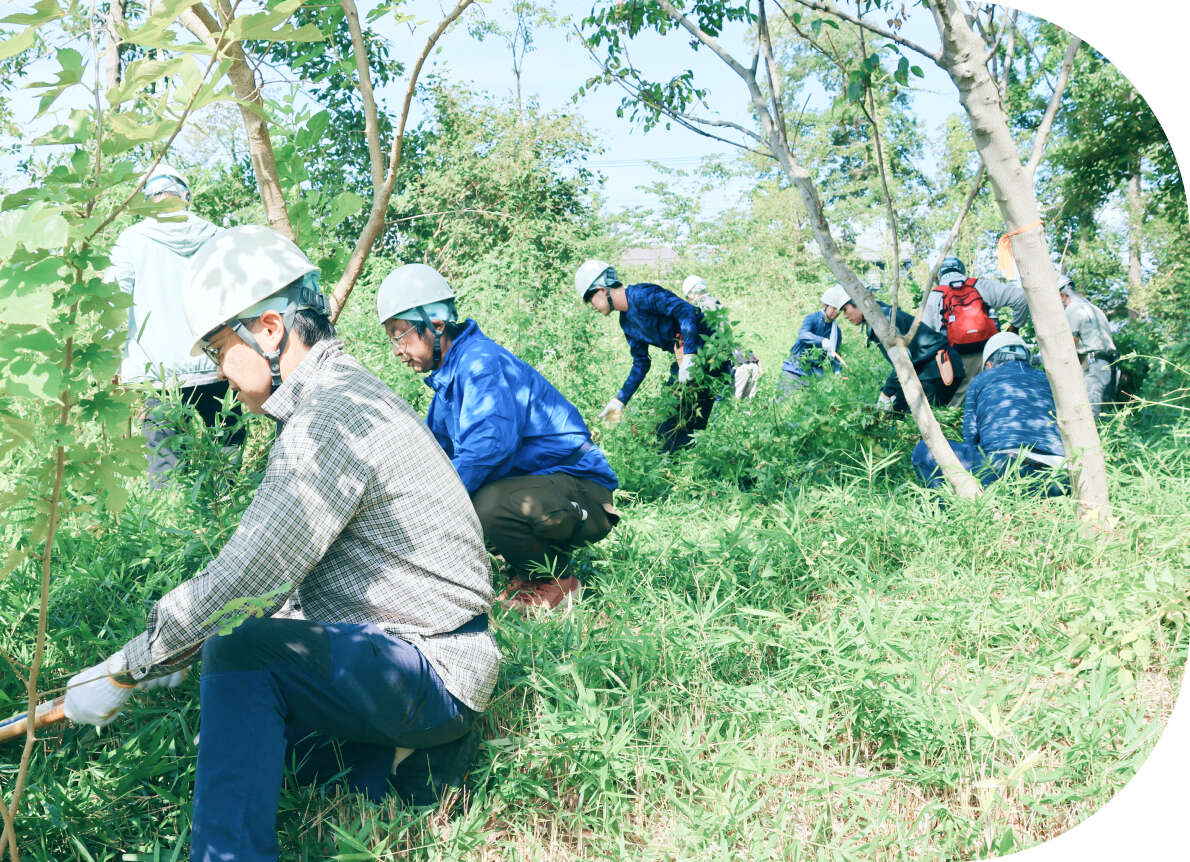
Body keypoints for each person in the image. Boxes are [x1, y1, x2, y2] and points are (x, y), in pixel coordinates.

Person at [64, 226, 500, 862]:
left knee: (239, 651)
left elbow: (249, 578)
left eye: (220, 349)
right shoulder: (342, 392)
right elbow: (292, 579)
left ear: (269, 330)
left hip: (434, 667)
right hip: (418, 653)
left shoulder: (326, 420)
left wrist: (129, 667)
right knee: (242, 720)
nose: (219, 372)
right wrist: (178, 651)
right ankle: (397, 762)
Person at [376, 263, 620, 611]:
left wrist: (429, 507)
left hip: (584, 491)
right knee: (462, 497)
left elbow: (488, 450)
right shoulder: (450, 378)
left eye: (401, 334)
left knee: (484, 505)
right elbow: (434, 456)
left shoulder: (480, 365)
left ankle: (554, 582)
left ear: (437, 324)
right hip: (548, 488)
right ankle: (525, 569)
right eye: (391, 339)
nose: (397, 349)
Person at [106, 164, 242, 483]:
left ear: (147, 199)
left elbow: (113, 303)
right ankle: (229, 504)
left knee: (164, 461)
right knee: (227, 446)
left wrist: (112, 360)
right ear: (185, 196)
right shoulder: (217, 238)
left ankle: (173, 513)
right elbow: (236, 299)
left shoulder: (130, 241)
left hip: (158, 375)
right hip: (214, 363)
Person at [577, 260, 731, 451]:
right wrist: (619, 400)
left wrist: (690, 355)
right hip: (685, 364)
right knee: (669, 432)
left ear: (601, 290)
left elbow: (685, 310)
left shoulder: (643, 295)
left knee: (675, 434)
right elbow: (641, 363)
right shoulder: (627, 323)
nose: (592, 307)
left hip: (709, 354)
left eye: (589, 299)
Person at [911, 332, 1066, 493]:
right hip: (1057, 478)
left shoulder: (980, 380)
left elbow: (971, 437)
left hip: (1001, 471)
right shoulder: (1048, 379)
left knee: (924, 450)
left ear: (990, 364)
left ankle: (954, 505)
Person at [921, 256, 1030, 404]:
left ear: (939, 276)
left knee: (959, 405)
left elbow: (924, 336)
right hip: (989, 353)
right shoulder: (981, 286)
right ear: (962, 271)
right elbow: (1021, 297)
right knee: (994, 399)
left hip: (955, 358)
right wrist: (1014, 328)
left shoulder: (934, 296)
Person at [836, 289, 965, 412]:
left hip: (938, 369)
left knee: (920, 419)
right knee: (900, 410)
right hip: (930, 369)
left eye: (845, 310)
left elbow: (902, 360)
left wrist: (886, 394)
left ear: (858, 303)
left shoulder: (882, 321)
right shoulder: (881, 316)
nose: (845, 316)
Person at [682, 274, 762, 399]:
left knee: (727, 407)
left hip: (739, 367)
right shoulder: (715, 303)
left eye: (688, 298)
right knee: (749, 408)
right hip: (750, 362)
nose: (689, 301)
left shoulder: (703, 306)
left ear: (692, 293)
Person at [1059, 274, 1118, 417]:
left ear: (1061, 295)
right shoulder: (1094, 308)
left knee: (1089, 412)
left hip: (1093, 365)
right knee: (1097, 411)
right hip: (1106, 364)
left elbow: (1068, 343)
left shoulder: (1073, 309)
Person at [778, 285, 846, 394]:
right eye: (833, 308)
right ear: (824, 305)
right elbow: (803, 335)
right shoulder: (812, 318)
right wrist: (821, 341)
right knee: (783, 400)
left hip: (813, 376)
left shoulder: (836, 332)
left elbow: (835, 354)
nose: (836, 312)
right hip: (794, 369)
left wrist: (837, 370)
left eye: (839, 310)